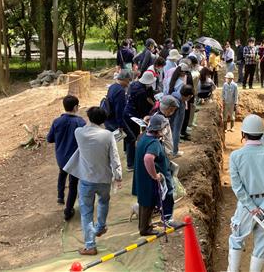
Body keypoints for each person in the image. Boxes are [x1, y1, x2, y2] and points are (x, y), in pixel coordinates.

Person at [63, 107, 122, 255]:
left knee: (86, 212)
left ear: (89, 118)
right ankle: (101, 226)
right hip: (104, 178)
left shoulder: (79, 133)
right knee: (103, 202)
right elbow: (114, 157)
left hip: (87, 179)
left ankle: (90, 246)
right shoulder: (108, 135)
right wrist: (118, 175)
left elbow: (85, 126)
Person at [228, 114, 264, 272]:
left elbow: (237, 187)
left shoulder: (236, 156)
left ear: (243, 134)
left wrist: (252, 207)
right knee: (262, 243)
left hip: (246, 206)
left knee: (237, 238)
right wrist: (263, 206)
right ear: (262, 133)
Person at [133, 114, 175, 236]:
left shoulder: (143, 137)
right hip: (148, 178)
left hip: (142, 176)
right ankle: (145, 229)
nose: (166, 130)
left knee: (144, 201)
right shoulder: (154, 144)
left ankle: (146, 225)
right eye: (164, 128)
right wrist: (154, 176)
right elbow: (148, 158)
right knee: (148, 202)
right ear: (159, 129)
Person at [47, 95, 86, 221]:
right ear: (75, 107)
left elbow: (49, 138)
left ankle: (60, 196)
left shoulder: (57, 121)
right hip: (75, 158)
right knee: (73, 184)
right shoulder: (80, 122)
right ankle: (68, 210)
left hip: (61, 157)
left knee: (62, 173)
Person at [123, 71, 157, 170]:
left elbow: (150, 97)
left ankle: (127, 152)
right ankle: (130, 163)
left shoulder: (136, 84)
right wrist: (147, 116)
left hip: (128, 112)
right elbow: (142, 108)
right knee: (132, 138)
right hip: (132, 115)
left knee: (129, 137)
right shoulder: (140, 92)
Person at [169, 85, 194, 157]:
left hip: (168, 122)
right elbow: (177, 128)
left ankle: (172, 150)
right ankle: (174, 152)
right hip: (171, 123)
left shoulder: (174, 96)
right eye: (191, 96)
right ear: (188, 96)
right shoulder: (179, 103)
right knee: (176, 131)